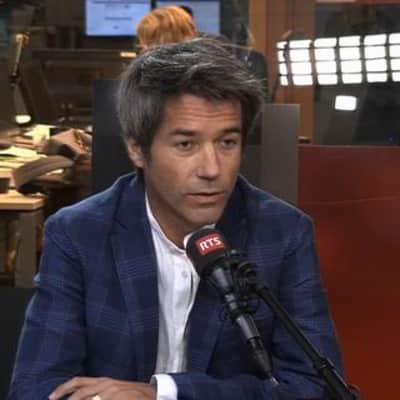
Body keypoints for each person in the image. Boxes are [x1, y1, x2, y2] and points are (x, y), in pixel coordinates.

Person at [8, 38, 343, 400]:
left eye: (227, 143)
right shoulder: (79, 233)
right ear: (137, 149)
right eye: (186, 144)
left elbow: (316, 388)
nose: (212, 169)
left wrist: (164, 394)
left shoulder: (283, 232)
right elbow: (35, 387)